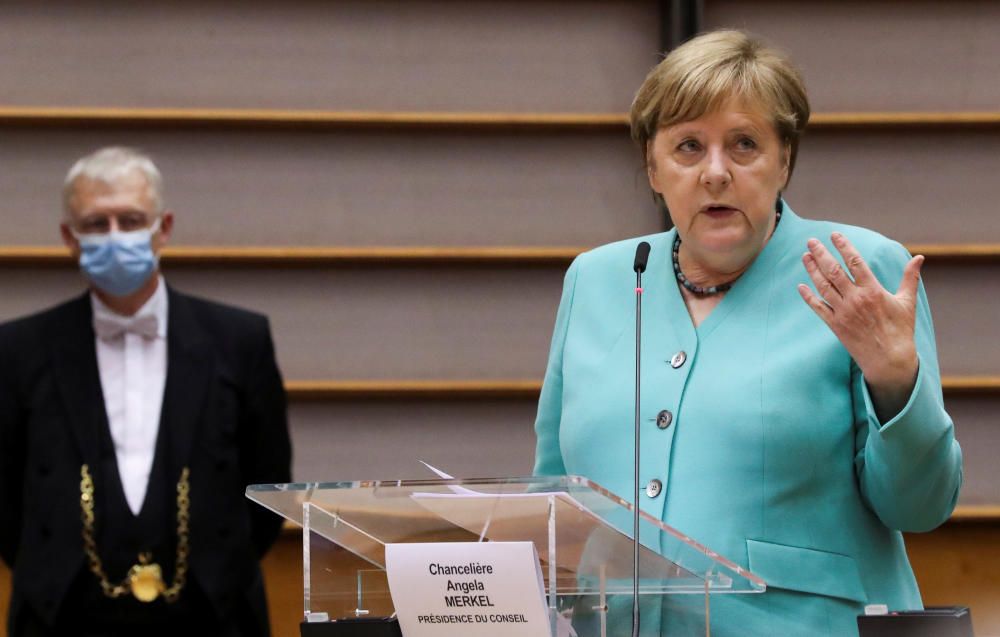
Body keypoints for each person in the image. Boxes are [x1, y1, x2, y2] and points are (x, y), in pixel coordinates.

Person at [532, 31, 962, 636]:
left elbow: (920, 508)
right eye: (687, 147)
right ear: (652, 168)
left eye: (744, 145)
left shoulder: (857, 271)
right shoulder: (597, 279)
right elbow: (551, 500)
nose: (715, 173)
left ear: (783, 160)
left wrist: (897, 385)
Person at [0, 147, 292, 636]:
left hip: (213, 616)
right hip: (63, 617)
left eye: (131, 219)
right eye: (96, 223)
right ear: (69, 238)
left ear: (164, 228)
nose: (115, 237)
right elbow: (5, 496)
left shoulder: (240, 340)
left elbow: (267, 483)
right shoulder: (17, 349)